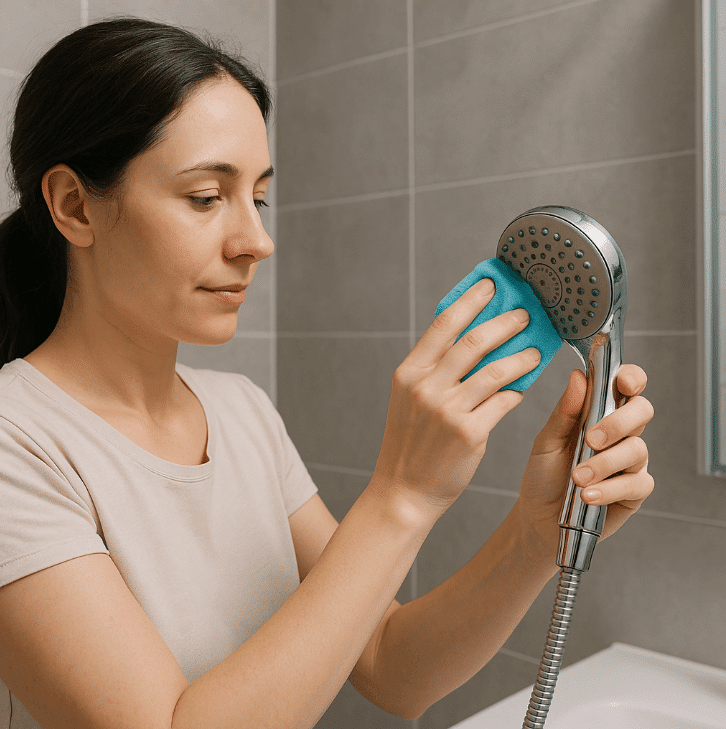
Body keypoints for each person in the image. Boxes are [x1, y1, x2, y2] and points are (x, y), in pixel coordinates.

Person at [0, 17, 654, 729]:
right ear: (73, 205)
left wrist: (536, 535)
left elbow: (387, 664)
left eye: (259, 196)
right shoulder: (18, 440)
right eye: (205, 197)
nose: (257, 240)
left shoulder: (243, 412)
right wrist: (401, 493)